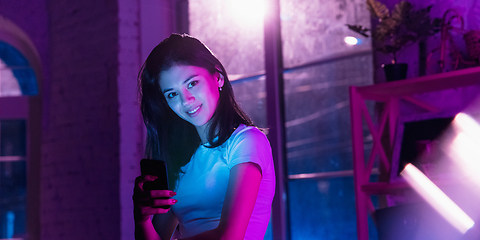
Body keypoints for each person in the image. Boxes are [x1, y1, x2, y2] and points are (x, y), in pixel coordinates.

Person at [133, 33, 276, 240]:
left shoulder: (246, 141)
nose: (186, 100)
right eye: (172, 94)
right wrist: (142, 220)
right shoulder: (182, 159)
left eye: (192, 83)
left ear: (218, 76)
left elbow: (229, 236)